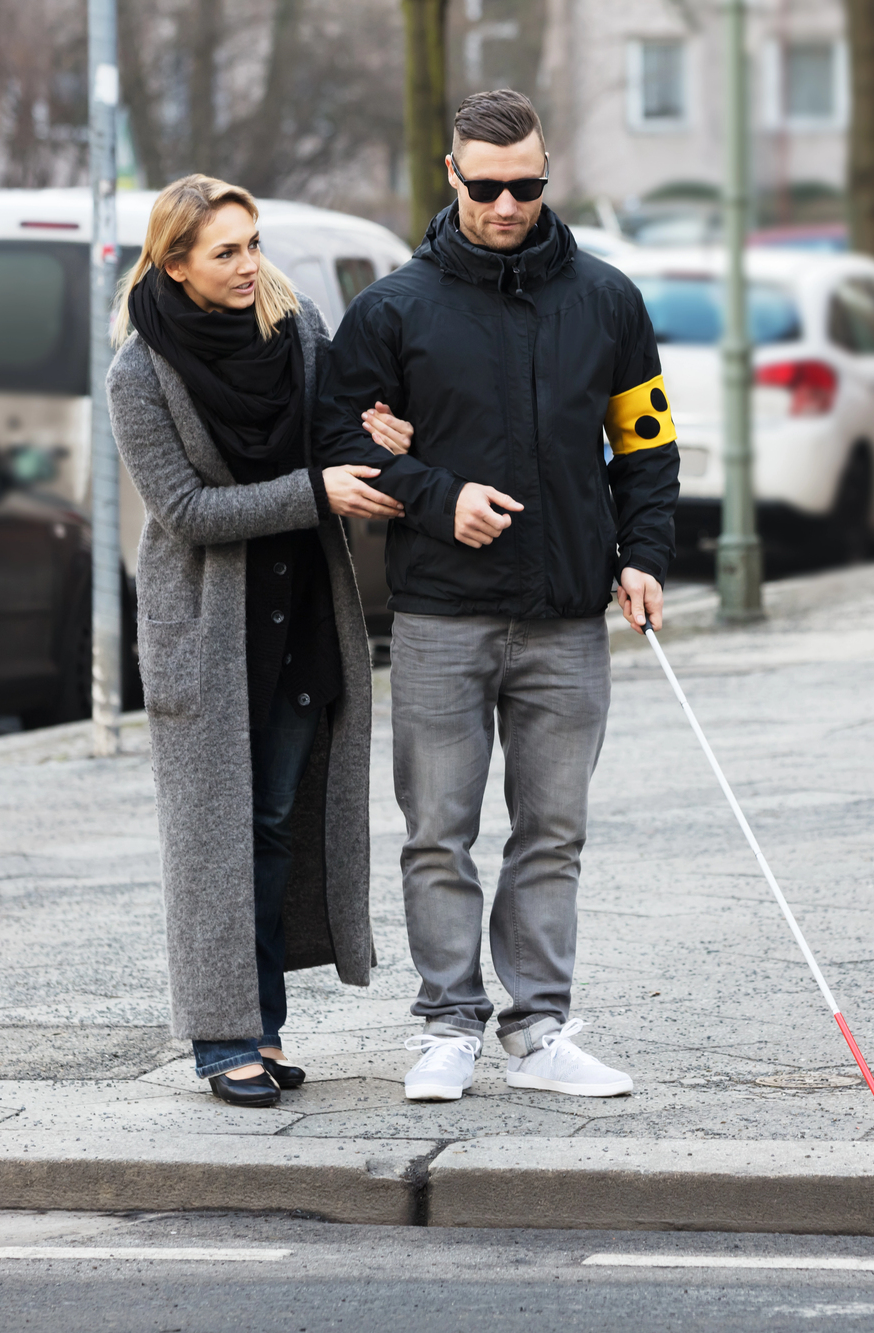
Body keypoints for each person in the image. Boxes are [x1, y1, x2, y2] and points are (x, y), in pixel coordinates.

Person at [316, 90, 680, 1102]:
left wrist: (642, 556)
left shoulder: (607, 300)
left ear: (546, 170)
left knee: (551, 830)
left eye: (527, 185)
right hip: (439, 616)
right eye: (487, 188)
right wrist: (436, 498)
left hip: (567, 618)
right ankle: (445, 1025)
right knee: (437, 828)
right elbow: (339, 442)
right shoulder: (393, 309)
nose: (507, 204)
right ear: (451, 176)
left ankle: (540, 1026)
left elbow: (646, 447)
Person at [107, 174, 412, 1108]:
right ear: (175, 264)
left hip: (303, 617)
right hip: (208, 629)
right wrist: (319, 491)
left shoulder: (298, 328)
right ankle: (220, 1037)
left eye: (253, 243)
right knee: (213, 841)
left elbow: (334, 434)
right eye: (225, 251)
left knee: (275, 826)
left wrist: (376, 432)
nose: (249, 265)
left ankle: (265, 1025)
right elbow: (189, 512)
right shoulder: (138, 372)